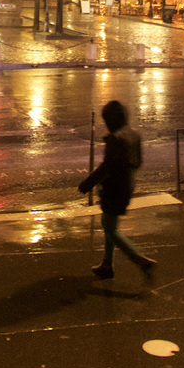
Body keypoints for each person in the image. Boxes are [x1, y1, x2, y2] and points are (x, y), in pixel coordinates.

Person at [78, 100, 156, 281]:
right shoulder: (134, 134)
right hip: (127, 185)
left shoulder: (115, 138)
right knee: (110, 225)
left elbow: (107, 167)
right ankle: (107, 264)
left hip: (114, 188)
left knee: (110, 228)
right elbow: (137, 163)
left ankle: (139, 259)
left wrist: (87, 184)